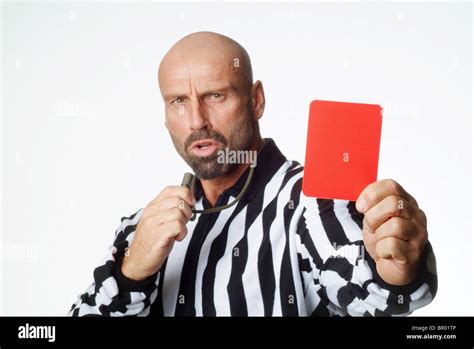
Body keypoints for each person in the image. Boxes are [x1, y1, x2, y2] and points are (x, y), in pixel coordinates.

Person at [69, 31, 437, 316]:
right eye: (178, 101)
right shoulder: (140, 226)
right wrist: (131, 272)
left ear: (256, 100)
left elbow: (363, 289)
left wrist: (396, 269)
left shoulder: (310, 198)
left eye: (215, 95)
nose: (197, 121)